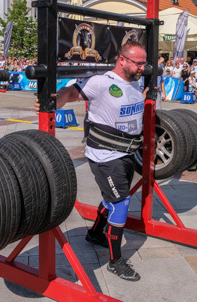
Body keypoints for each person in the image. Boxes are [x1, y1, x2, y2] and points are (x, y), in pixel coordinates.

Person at [35, 41, 145, 281]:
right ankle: (115, 262)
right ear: (122, 60)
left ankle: (95, 233)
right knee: (121, 202)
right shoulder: (101, 82)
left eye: (144, 63)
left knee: (111, 198)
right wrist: (52, 103)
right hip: (105, 155)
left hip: (126, 154)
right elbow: (71, 92)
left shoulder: (137, 81)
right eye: (139, 63)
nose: (143, 68)